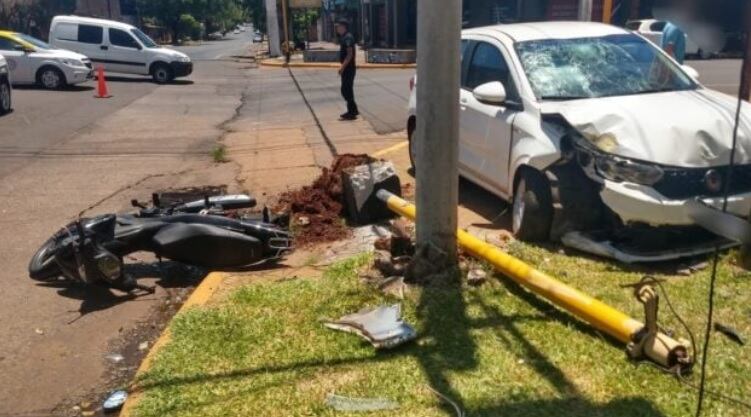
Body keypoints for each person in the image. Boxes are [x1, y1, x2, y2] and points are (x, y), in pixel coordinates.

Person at [336, 19, 359, 120]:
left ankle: (352, 112)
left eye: (338, 26)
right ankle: (353, 110)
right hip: (347, 68)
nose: (337, 28)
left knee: (346, 89)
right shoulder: (344, 37)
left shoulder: (348, 37)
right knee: (346, 89)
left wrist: (342, 67)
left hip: (349, 69)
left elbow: (350, 54)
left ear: (343, 27)